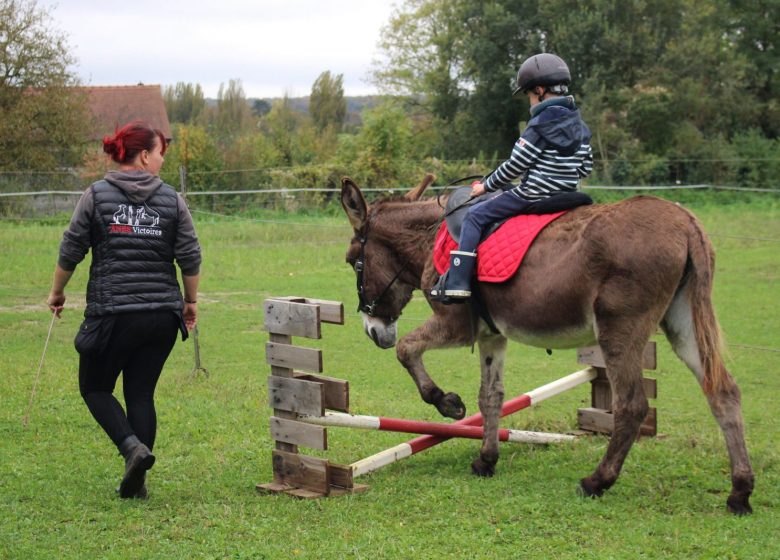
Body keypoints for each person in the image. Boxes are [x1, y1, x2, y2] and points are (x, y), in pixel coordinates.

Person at [47, 121, 202, 499]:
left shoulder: (96, 196)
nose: (162, 160)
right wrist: (190, 301)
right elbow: (190, 256)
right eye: (160, 152)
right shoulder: (172, 199)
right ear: (145, 155)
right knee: (141, 395)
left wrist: (56, 292)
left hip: (113, 314)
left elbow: (72, 249)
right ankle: (137, 481)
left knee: (95, 387)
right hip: (162, 316)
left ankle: (132, 449)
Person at [430, 53, 593, 303]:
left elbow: (515, 165)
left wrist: (485, 186)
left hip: (534, 196)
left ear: (539, 90)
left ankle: (458, 282)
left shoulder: (538, 124)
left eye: (529, 94)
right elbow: (585, 168)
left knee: (475, 216)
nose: (529, 100)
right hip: (568, 196)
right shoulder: (580, 126)